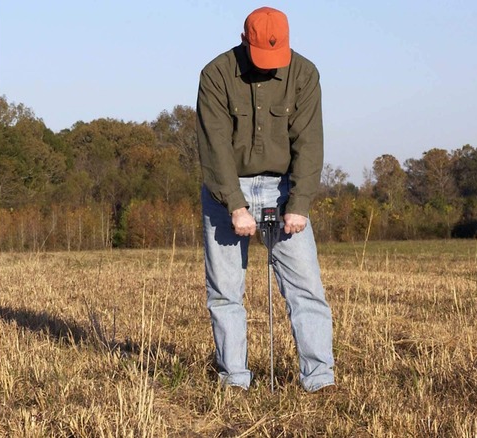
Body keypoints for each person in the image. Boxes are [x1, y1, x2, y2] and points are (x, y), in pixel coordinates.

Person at [196, 6, 335, 393]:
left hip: (283, 188)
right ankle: (234, 381)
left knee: (306, 289)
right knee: (225, 292)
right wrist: (235, 205)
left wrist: (300, 204)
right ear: (244, 41)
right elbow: (215, 147)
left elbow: (309, 143)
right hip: (227, 190)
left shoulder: (305, 74)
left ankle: (320, 380)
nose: (270, 66)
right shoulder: (216, 74)